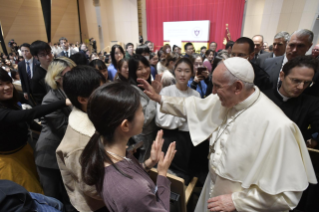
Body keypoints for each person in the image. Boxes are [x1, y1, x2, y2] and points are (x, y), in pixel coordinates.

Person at [138, 57, 317, 212]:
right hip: (212, 189)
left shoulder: (278, 126)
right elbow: (192, 106)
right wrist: (160, 98)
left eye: (217, 86)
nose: (213, 92)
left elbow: (287, 195)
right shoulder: (227, 99)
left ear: (238, 87)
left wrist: (237, 202)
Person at [80, 82, 176, 211]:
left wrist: (149, 163)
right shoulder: (133, 191)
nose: (144, 115)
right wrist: (163, 173)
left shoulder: (107, 150)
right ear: (125, 125)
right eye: (141, 111)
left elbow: (128, 173)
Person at [0, 68, 71, 194]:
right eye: (0, 85)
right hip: (10, 161)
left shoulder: (9, 102)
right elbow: (29, 114)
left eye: (8, 82)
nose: (7, 87)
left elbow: (28, 123)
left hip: (25, 150)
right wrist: (63, 102)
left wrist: (45, 130)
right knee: (31, 194)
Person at [264, 56, 319, 212]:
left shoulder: (311, 103)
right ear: (282, 76)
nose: (301, 87)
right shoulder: (261, 96)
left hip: (288, 166)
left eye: (307, 83)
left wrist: (314, 139)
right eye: (296, 80)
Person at [56, 66, 107, 212]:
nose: (107, 94)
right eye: (100, 91)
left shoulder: (91, 112)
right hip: (96, 205)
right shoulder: (81, 142)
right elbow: (91, 187)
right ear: (82, 99)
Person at [35, 57, 76, 212]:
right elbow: (64, 130)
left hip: (65, 154)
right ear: (57, 79)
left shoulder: (71, 91)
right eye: (67, 75)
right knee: (52, 200)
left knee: (69, 195)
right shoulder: (50, 100)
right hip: (49, 155)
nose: (73, 78)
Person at [156, 57, 202, 184]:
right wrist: (184, 116)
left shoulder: (195, 95)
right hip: (170, 138)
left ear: (192, 73)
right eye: (179, 70)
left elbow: (196, 121)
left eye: (187, 71)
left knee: (185, 175)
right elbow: (161, 120)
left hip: (188, 141)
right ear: (174, 71)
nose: (183, 74)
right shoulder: (166, 91)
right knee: (168, 174)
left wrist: (178, 115)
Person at [262, 29, 318, 96]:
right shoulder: (268, 63)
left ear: (309, 46)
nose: (294, 50)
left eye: (300, 46)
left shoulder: (315, 70)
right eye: (292, 45)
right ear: (287, 44)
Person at [129, 54, 159, 162]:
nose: (145, 71)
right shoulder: (132, 91)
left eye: (146, 66)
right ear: (133, 71)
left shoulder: (146, 85)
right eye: (139, 69)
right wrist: (154, 96)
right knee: (145, 167)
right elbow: (145, 119)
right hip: (144, 139)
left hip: (153, 134)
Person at [30, 40, 53, 105]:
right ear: (36, 57)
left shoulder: (57, 68)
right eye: (43, 55)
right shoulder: (36, 79)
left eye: (49, 53)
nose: (48, 57)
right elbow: (41, 102)